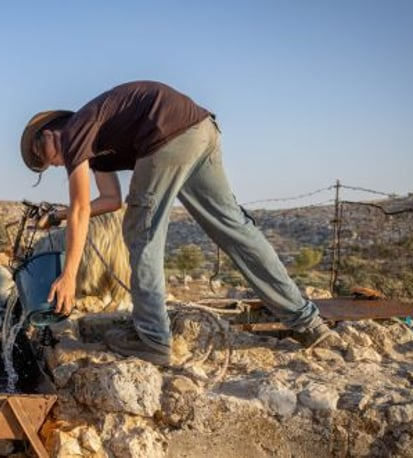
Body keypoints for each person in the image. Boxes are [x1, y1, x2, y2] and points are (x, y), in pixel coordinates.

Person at [19, 80, 336, 366]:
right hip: (200, 129)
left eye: (43, 152)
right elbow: (110, 200)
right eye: (46, 165)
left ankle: (153, 338)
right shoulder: (94, 141)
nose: (53, 162)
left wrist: (69, 275)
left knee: (141, 231)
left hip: (167, 135)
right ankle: (307, 323)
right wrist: (57, 216)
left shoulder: (75, 130)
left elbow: (79, 211)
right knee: (234, 228)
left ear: (52, 129)